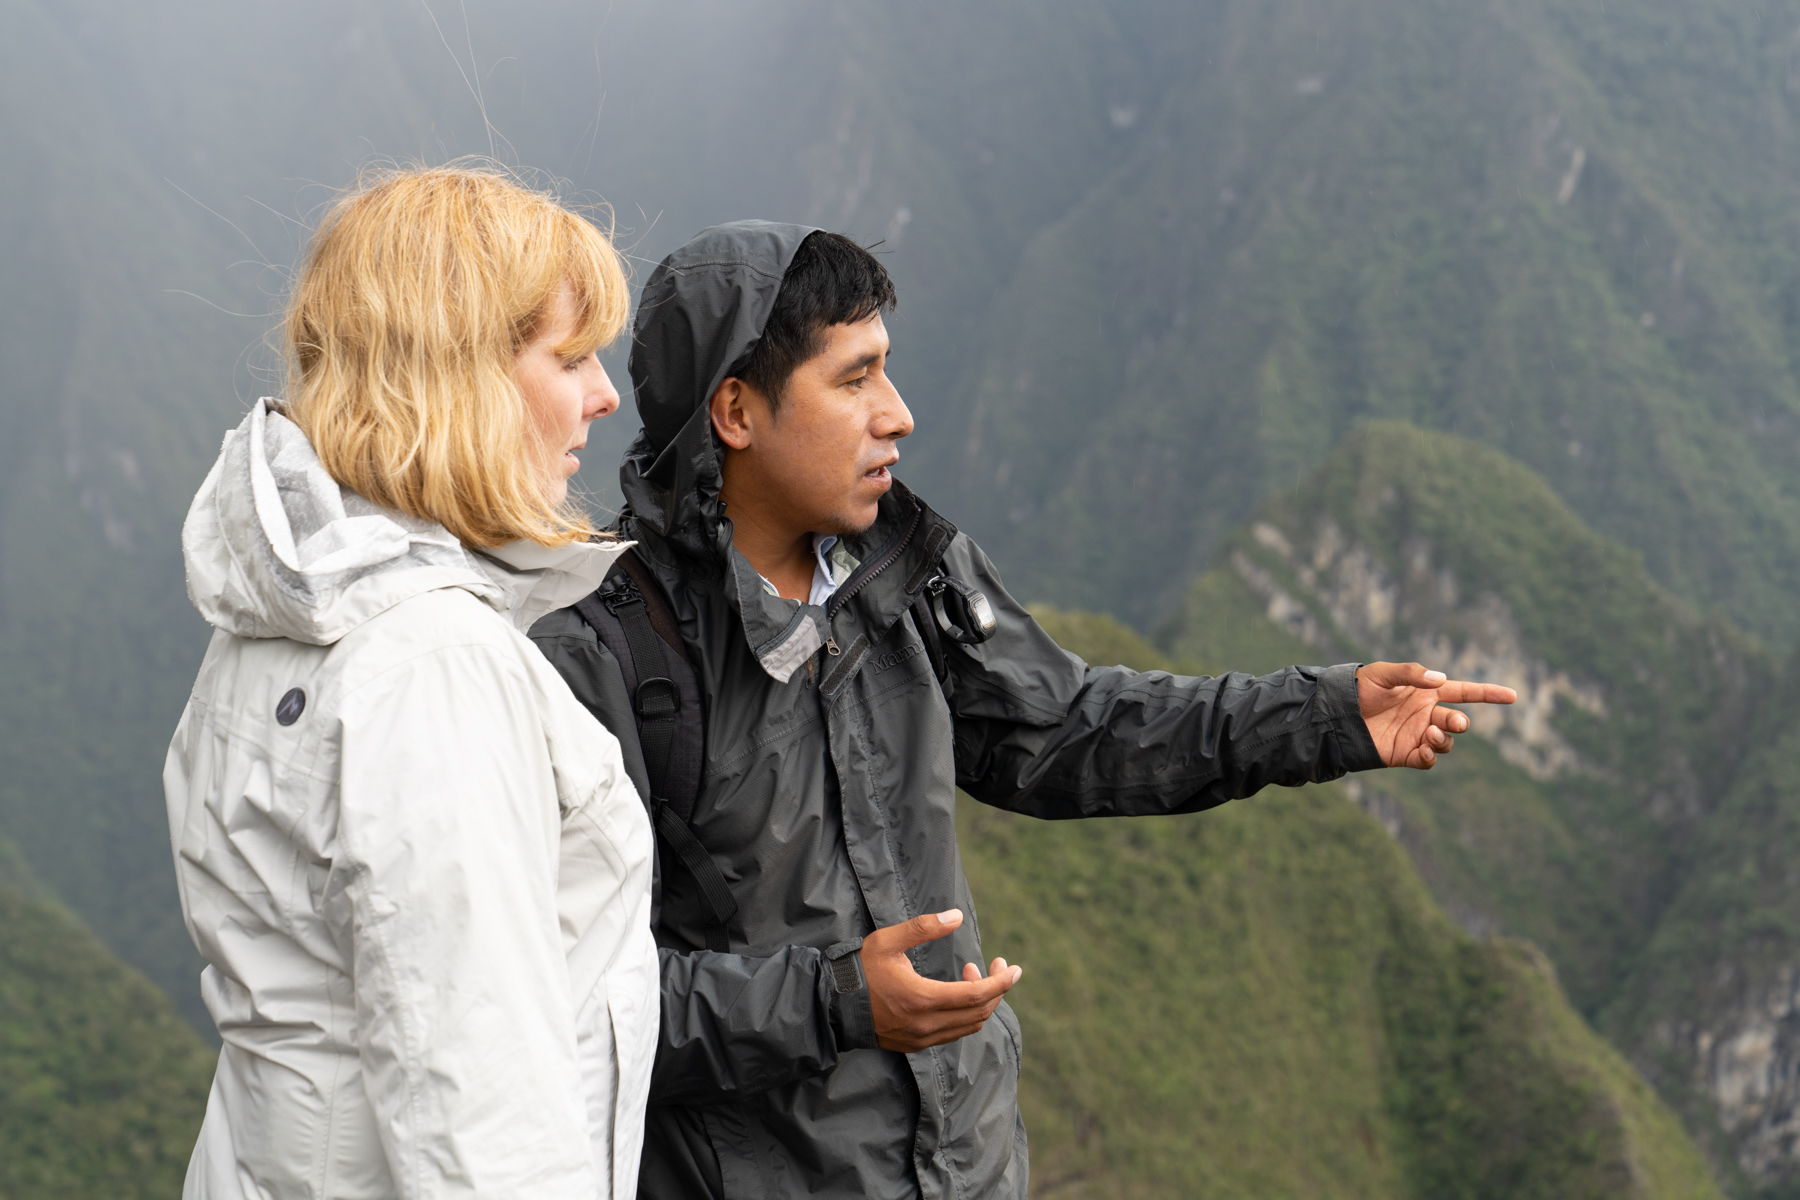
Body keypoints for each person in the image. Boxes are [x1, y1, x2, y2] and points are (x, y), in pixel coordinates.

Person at [528, 221, 1517, 1198]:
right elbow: (567, 996)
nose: (899, 415)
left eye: (890, 371)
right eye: (855, 377)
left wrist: (1329, 716)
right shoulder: (602, 656)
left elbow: (1068, 729)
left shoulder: (903, 579)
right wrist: (835, 1003)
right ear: (737, 411)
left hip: (967, 1170)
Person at [163, 166, 660, 1199]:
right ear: (462, 378)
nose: (605, 393)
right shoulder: (436, 667)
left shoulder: (280, 612)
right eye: (568, 357)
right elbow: (481, 1120)